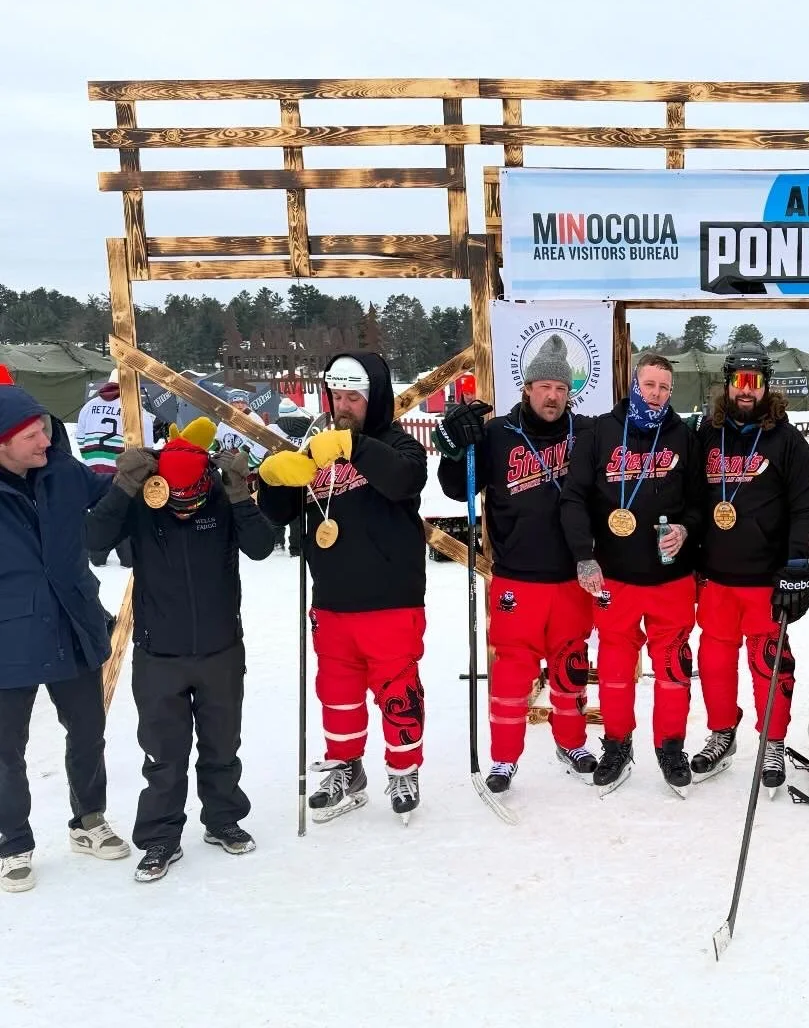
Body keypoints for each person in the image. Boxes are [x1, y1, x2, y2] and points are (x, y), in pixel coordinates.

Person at [86, 418, 275, 881]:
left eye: (193, 497)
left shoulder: (221, 495)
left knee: (222, 747)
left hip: (220, 648)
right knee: (163, 756)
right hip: (159, 653)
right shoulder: (142, 501)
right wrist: (123, 487)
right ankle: (159, 838)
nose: (185, 506)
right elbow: (93, 542)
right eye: (176, 498)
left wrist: (239, 496)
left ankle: (223, 819)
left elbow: (262, 547)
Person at [256, 353, 429, 822]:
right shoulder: (317, 447)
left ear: (372, 398)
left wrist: (353, 445)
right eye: (336, 396)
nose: (343, 405)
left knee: (398, 693)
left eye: (353, 396)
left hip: (391, 599)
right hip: (332, 601)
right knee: (337, 694)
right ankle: (346, 768)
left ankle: (403, 769)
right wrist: (273, 479)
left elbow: (404, 481)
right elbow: (280, 515)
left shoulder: (396, 443)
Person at [433, 335, 599, 793]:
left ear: (571, 393)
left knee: (570, 669)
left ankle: (573, 743)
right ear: (527, 388)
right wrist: (451, 449)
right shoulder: (498, 433)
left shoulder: (585, 433)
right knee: (509, 674)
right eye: (544, 386)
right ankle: (504, 759)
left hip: (570, 577)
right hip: (516, 578)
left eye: (561, 389)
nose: (552, 396)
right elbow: (456, 488)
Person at [0, 383, 130, 893]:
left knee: (87, 732)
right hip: (10, 638)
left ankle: (89, 820)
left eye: (47, 431)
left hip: (76, 625)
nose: (46, 442)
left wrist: (146, 466)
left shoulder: (61, 472)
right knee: (6, 749)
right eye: (33, 435)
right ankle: (12, 841)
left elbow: (108, 487)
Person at [559, 352, 707, 794]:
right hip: (616, 577)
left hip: (670, 578)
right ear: (633, 384)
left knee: (673, 667)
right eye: (650, 385)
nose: (657, 394)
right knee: (615, 669)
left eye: (665, 386)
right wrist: (584, 556)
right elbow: (574, 498)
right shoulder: (601, 430)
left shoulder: (683, 434)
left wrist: (685, 528)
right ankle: (617, 744)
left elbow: (701, 501)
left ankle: (670, 745)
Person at [690, 343, 809, 794]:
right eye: (739, 381)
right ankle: (722, 732)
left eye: (755, 381)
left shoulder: (786, 439)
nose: (746, 391)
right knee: (715, 661)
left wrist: (797, 565)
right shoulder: (707, 433)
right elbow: (687, 499)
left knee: (771, 662)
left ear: (767, 384)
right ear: (726, 384)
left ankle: (773, 741)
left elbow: (805, 507)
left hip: (765, 578)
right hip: (717, 577)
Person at [76, 373, 160, 567]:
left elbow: (80, 439)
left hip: (94, 471)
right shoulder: (137, 411)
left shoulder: (88, 407)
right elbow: (146, 449)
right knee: (122, 511)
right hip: (123, 474)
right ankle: (127, 557)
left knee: (100, 511)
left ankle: (97, 555)